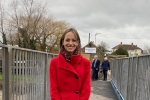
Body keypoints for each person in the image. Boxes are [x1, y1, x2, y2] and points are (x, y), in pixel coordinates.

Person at [49, 28, 91, 100]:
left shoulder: (86, 63)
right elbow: (53, 87)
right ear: (63, 42)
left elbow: (86, 88)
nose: (70, 43)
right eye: (67, 40)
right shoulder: (54, 62)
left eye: (74, 40)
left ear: (78, 43)